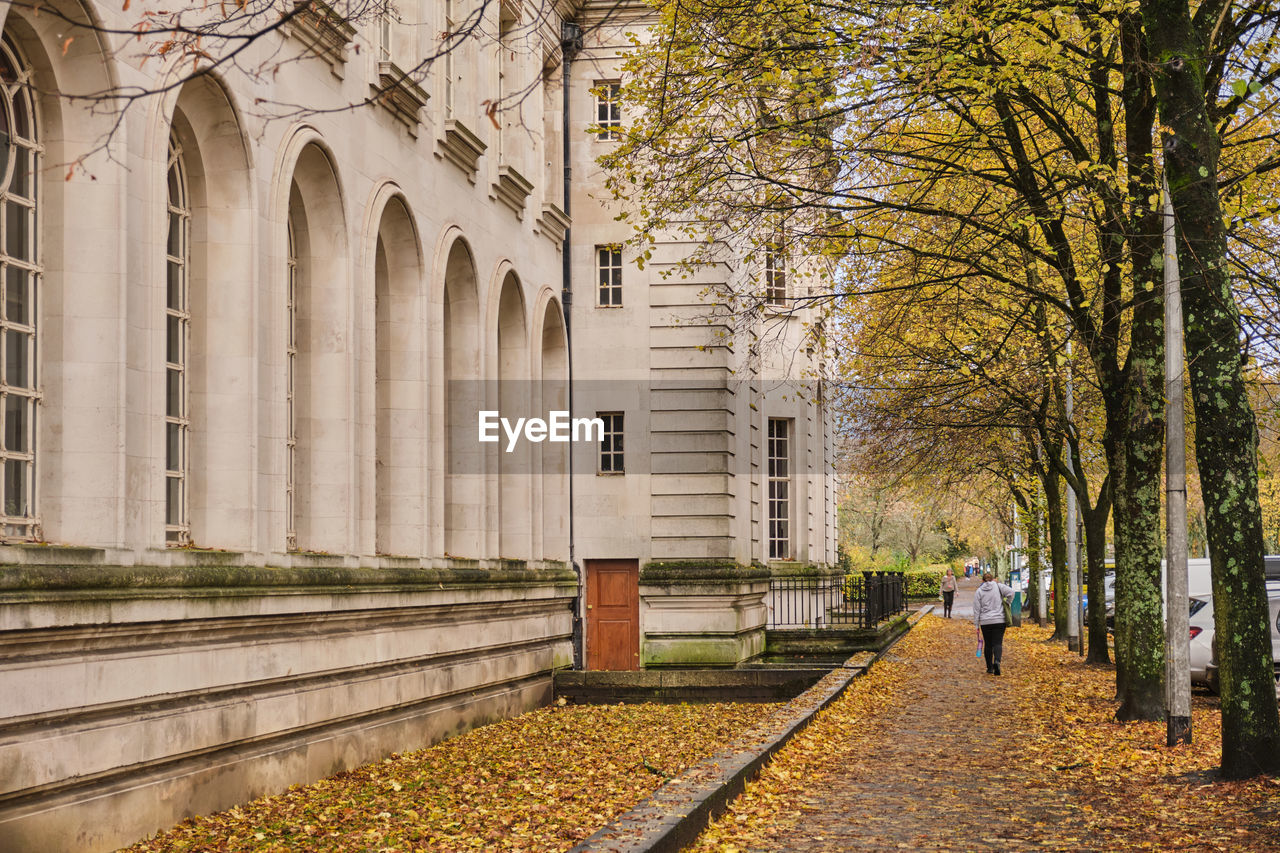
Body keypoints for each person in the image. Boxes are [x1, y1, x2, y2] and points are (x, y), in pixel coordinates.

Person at [973, 570, 1014, 675]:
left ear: (982, 580)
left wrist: (977, 624)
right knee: (997, 642)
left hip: (985, 621)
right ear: (993, 579)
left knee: (988, 644)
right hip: (999, 620)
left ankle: (989, 668)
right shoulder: (999, 586)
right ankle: (997, 661)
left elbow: (976, 609)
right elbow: (1011, 593)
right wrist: (1007, 602)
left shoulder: (979, 591)